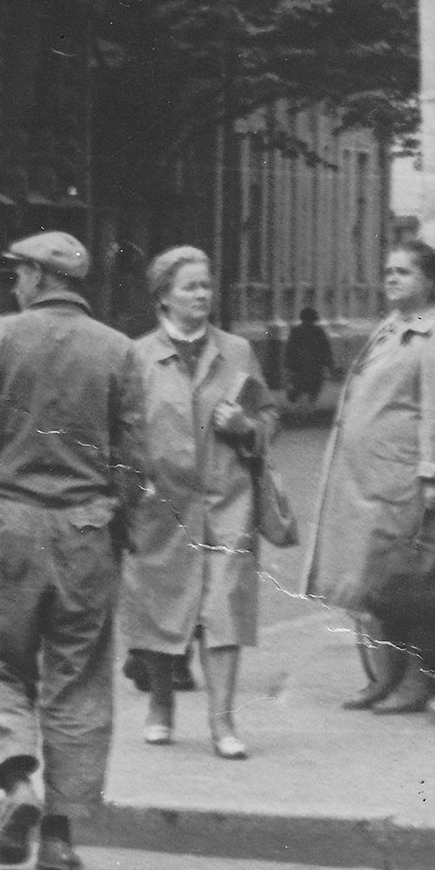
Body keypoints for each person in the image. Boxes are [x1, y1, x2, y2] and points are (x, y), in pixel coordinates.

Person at [0, 229, 144, 870]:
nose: (13, 283)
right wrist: (119, 526)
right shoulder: (118, 350)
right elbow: (136, 460)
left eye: (17, 272)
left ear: (35, 276)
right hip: (85, 533)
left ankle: (18, 781)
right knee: (76, 680)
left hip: (7, 528)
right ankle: (58, 834)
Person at [118, 246, 275, 760]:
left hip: (227, 498)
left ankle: (223, 723)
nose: (203, 295)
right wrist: (132, 483)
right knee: (162, 605)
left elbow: (267, 416)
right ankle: (160, 706)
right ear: (164, 296)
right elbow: (120, 431)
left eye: (206, 286)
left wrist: (246, 427)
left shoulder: (237, 352)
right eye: (190, 287)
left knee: (223, 605)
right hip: (162, 504)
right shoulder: (137, 357)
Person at [303, 237, 435, 716]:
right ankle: (385, 677)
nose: (392, 278)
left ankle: (417, 681)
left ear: (432, 281)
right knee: (379, 583)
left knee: (413, 584)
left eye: (405, 272)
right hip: (369, 481)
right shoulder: (394, 327)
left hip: (403, 483)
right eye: (389, 270)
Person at [284, 307, 333, 412]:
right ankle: (310, 407)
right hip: (316, 367)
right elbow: (325, 348)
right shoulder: (318, 331)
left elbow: (290, 349)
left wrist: (288, 365)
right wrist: (329, 364)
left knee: (299, 387)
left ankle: (300, 408)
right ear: (314, 318)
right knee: (314, 388)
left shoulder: (295, 331)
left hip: (299, 367)